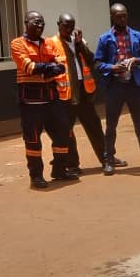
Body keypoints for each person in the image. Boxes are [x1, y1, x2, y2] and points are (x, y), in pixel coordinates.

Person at [94, 4, 140, 175]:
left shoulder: (136, 36)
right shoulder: (105, 38)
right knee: (111, 125)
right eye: (119, 16)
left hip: (134, 84)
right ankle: (109, 159)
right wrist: (112, 67)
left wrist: (136, 60)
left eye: (125, 16)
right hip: (115, 86)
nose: (122, 19)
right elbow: (97, 63)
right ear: (112, 16)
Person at [11, 11, 76, 189]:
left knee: (64, 132)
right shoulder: (18, 43)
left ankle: (59, 169)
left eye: (42, 23)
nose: (40, 25)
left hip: (51, 99)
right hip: (30, 102)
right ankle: (36, 175)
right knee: (32, 140)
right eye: (36, 22)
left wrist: (44, 70)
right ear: (26, 22)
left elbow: (61, 66)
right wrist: (48, 69)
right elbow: (28, 67)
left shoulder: (49, 43)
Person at [48, 13, 109, 171]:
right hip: (66, 94)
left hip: (83, 91)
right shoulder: (51, 43)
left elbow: (91, 60)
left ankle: (106, 158)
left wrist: (80, 44)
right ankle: (72, 164)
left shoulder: (79, 42)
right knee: (67, 131)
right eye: (65, 25)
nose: (69, 29)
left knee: (94, 126)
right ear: (58, 24)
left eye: (71, 26)